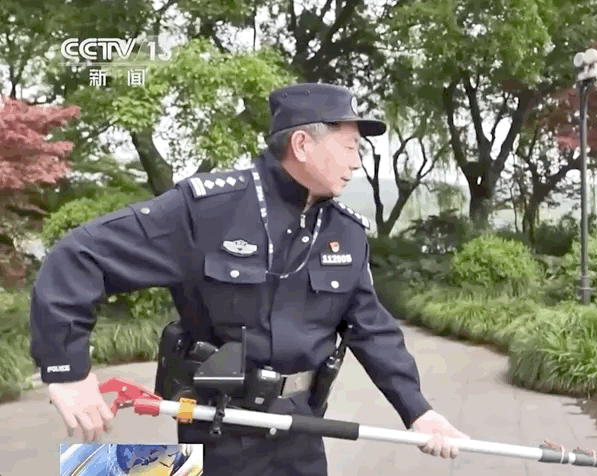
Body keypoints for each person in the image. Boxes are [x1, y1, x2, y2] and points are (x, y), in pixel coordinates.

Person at [31, 83, 468, 475]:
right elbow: (80, 255)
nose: (356, 162)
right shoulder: (207, 209)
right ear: (302, 143)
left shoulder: (345, 231)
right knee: (108, 471)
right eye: (350, 147)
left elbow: (371, 329)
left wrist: (419, 411)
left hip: (301, 428)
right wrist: (67, 371)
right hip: (217, 429)